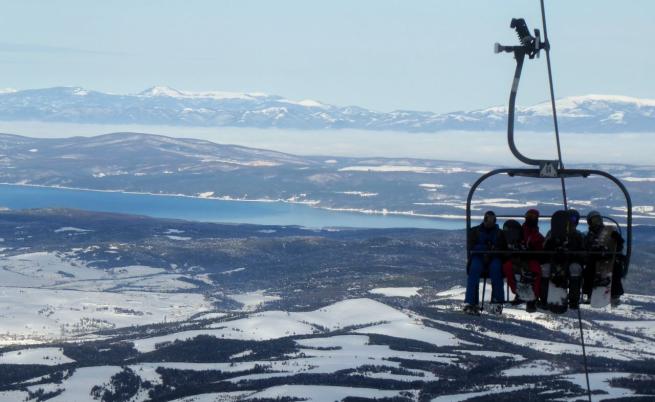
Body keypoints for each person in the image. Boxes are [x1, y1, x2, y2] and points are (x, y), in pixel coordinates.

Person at [464, 210, 506, 315]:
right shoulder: (475, 231)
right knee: (474, 269)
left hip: (494, 257)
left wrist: (493, 250)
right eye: (488, 220)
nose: (490, 223)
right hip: (479, 256)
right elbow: (471, 246)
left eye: (492, 220)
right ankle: (471, 302)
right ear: (484, 220)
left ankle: (497, 302)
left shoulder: (499, 233)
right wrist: (485, 248)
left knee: (496, 270)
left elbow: (502, 247)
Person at [502, 208, 544, 313]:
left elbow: (541, 248)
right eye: (529, 216)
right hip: (518, 258)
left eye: (533, 217)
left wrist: (533, 249)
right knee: (507, 267)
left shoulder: (537, 235)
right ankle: (518, 293)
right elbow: (511, 241)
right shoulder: (519, 231)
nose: (531, 218)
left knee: (536, 270)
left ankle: (533, 297)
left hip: (531, 259)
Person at [543, 209, 585, 309]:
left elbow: (583, 251)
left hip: (570, 262)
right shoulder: (552, 233)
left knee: (575, 269)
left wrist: (573, 253)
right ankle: (544, 298)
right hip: (554, 261)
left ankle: (574, 300)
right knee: (545, 269)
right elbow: (545, 247)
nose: (571, 221)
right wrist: (553, 242)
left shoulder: (578, 235)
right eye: (568, 219)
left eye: (574, 219)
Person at [582, 211, 625, 306]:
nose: (596, 222)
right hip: (595, 258)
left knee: (616, 268)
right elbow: (586, 248)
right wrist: (593, 249)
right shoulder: (589, 236)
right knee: (589, 269)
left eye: (598, 219)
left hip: (609, 257)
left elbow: (618, 246)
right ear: (590, 222)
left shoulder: (610, 232)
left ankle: (615, 294)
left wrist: (618, 240)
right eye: (593, 220)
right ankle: (589, 293)